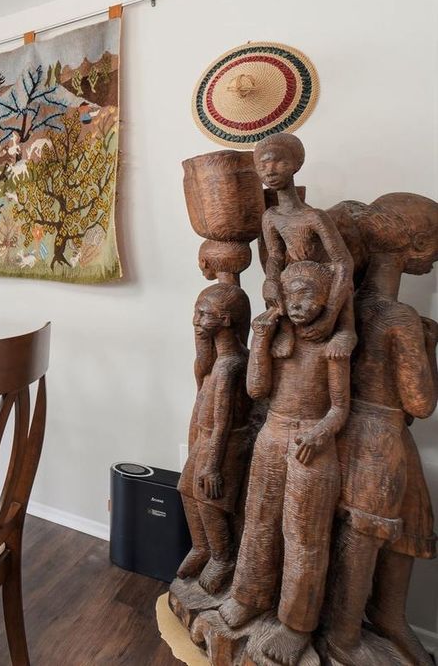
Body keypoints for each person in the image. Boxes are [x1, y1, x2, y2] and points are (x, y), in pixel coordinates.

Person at [323, 194, 438, 665]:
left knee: (409, 519)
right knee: (366, 530)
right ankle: (344, 634)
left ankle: (389, 616)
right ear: (416, 245)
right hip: (380, 435)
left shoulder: (346, 305)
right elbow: (421, 404)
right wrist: (429, 346)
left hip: (360, 429)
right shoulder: (399, 318)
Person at [219, 260, 350, 665]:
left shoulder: (335, 345)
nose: (296, 303)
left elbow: (340, 408)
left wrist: (321, 433)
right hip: (273, 434)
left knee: (304, 537)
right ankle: (249, 597)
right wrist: (260, 341)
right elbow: (257, 389)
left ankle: (297, 625)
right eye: (290, 295)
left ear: (326, 298)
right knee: (258, 521)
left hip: (312, 442)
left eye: (306, 293)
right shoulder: (279, 339)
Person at [177, 283, 252, 594]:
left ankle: (222, 557)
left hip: (224, 443)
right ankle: (202, 547)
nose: (196, 320)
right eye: (196, 312)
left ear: (225, 320)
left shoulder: (231, 365)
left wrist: (212, 466)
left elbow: (223, 422)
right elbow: (201, 378)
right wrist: (200, 338)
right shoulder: (215, 362)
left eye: (203, 314)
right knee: (187, 490)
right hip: (207, 438)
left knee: (210, 501)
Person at [254, 134, 355, 360]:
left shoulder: (314, 217)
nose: (270, 171)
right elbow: (275, 256)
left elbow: (343, 261)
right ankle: (285, 329)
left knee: (341, 275)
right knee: (277, 281)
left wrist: (330, 314)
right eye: (263, 165)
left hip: (321, 279)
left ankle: (346, 330)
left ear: (296, 165)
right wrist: (270, 280)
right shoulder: (271, 216)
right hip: (294, 280)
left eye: (279, 162)